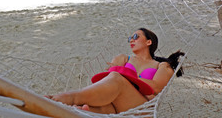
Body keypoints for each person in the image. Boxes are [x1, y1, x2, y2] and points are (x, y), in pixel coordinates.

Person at [46, 28, 185, 114]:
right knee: (85, 109)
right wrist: (121, 73)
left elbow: (155, 87)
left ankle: (65, 98)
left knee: (117, 78)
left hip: (141, 109)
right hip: (116, 106)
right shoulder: (123, 58)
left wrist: (126, 75)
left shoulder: (162, 65)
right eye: (130, 38)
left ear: (149, 42)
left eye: (136, 37)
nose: (131, 40)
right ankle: (75, 109)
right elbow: (106, 83)